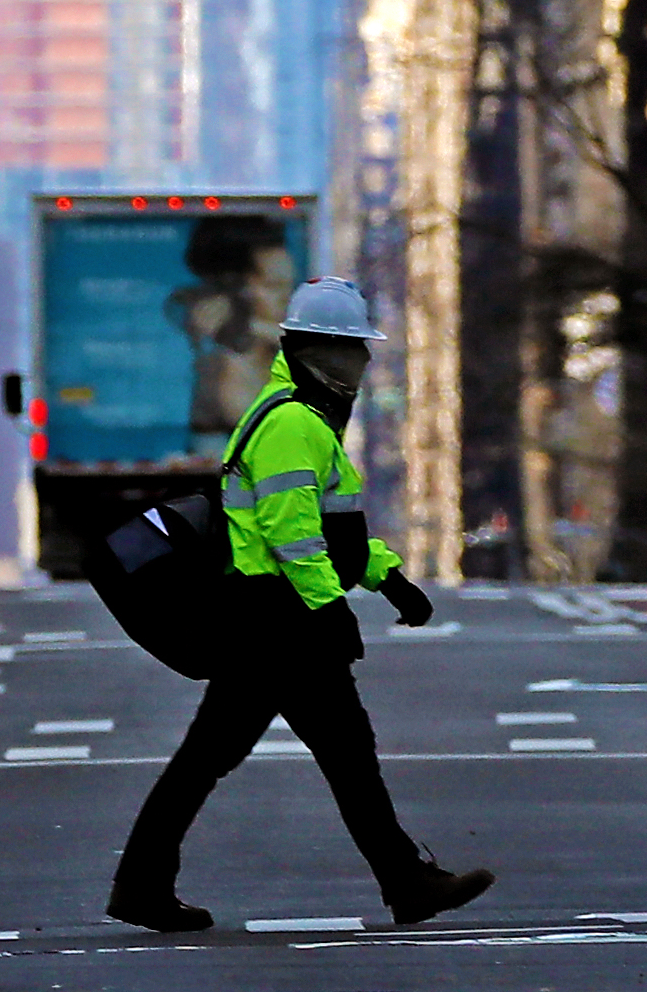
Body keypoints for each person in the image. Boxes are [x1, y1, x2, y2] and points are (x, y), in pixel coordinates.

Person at [111, 273, 490, 934]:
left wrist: (386, 577)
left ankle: (141, 884)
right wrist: (327, 607)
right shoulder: (290, 422)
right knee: (341, 751)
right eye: (350, 350)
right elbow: (293, 533)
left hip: (269, 621)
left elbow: (335, 527)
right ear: (314, 351)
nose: (362, 363)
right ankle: (405, 880)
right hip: (279, 620)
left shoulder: (302, 419)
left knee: (221, 758)